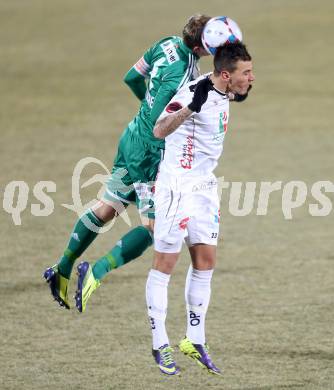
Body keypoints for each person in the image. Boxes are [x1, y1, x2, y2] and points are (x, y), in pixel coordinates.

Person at [43, 14, 212, 311]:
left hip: (132, 137)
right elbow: (163, 119)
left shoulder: (166, 44)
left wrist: (146, 110)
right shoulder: (185, 73)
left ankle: (62, 267)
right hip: (150, 153)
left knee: (107, 207)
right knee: (155, 228)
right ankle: (97, 271)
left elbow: (132, 77)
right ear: (201, 47)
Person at [145, 42, 255, 375]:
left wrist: (238, 91)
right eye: (246, 73)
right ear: (225, 75)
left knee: (205, 260)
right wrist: (193, 107)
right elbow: (159, 129)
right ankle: (159, 342)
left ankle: (194, 339)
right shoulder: (195, 93)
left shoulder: (224, 88)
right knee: (166, 262)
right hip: (177, 186)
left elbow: (234, 96)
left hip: (204, 187)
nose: (251, 78)